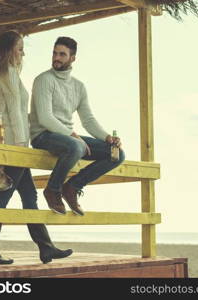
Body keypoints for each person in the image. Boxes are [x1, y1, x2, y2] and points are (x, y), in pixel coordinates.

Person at [0, 30, 72, 265]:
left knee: (29, 196)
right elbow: (14, 114)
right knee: (2, 197)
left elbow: (9, 114)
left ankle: (46, 247)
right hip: (16, 145)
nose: (23, 53)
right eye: (20, 48)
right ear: (10, 50)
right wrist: (23, 147)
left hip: (10, 143)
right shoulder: (8, 73)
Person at [30, 36, 125, 216]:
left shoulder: (79, 87)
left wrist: (108, 138)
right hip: (43, 135)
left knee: (116, 154)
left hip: (67, 137)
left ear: (72, 58)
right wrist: (73, 136)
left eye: (62, 54)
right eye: (54, 53)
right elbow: (45, 118)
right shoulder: (43, 80)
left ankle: (72, 187)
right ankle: (53, 189)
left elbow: (88, 120)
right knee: (76, 146)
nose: (56, 58)